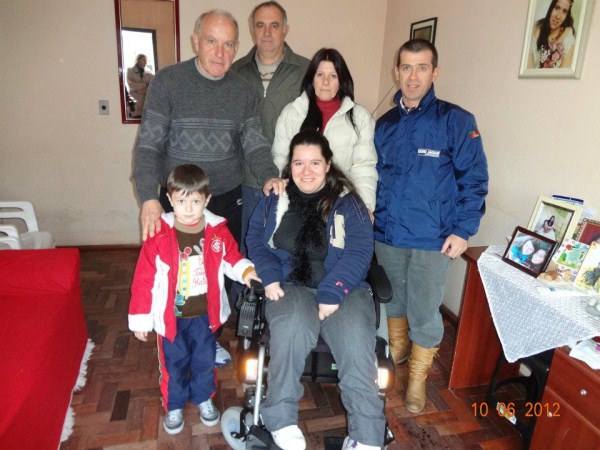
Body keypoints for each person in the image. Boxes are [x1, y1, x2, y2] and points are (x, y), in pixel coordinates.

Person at [132, 10, 284, 366]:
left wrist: (269, 175)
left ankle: (207, 337)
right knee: (175, 277)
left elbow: (254, 141)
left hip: (225, 200)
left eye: (228, 44)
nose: (220, 52)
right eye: (212, 42)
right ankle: (173, 340)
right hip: (177, 203)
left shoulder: (244, 90)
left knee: (216, 274)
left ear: (237, 47)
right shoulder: (168, 82)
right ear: (196, 42)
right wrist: (149, 199)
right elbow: (149, 145)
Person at [246, 130, 385, 450]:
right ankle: (280, 419)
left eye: (314, 162)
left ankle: (366, 436)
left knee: (356, 344)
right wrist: (269, 276)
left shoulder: (349, 203)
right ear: (289, 165)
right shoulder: (275, 198)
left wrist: (333, 292)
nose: (306, 171)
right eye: (298, 163)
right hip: (291, 284)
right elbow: (255, 240)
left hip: (345, 288)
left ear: (328, 164)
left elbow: (360, 251)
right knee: (290, 330)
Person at [374, 39, 488, 414]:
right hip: (387, 234)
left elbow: (474, 180)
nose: (413, 76)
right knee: (392, 300)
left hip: (432, 239)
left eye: (421, 67)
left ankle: (418, 378)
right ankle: (398, 351)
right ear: (396, 72)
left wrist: (463, 230)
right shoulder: (384, 125)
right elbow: (371, 176)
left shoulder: (457, 121)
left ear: (434, 72)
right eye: (406, 67)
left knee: (424, 310)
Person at [128, 164, 260, 435]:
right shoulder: (159, 235)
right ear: (169, 199)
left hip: (204, 316)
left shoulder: (217, 230)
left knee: (204, 360)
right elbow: (144, 280)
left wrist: (246, 271)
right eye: (181, 201)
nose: (188, 208)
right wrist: (141, 318)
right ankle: (174, 404)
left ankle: (203, 397)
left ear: (207, 200)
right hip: (171, 319)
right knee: (173, 364)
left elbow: (231, 257)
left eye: (196, 201)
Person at [231, 1, 310, 252]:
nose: (267, 33)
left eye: (274, 25)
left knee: (286, 253)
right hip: (245, 181)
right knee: (246, 252)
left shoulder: (307, 71)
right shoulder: (235, 71)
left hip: (292, 181)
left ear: (285, 29)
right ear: (252, 30)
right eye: (260, 25)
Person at [272, 48, 378, 214]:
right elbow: (281, 162)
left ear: (341, 80)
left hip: (341, 205)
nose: (326, 82)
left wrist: (364, 208)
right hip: (297, 204)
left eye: (333, 76)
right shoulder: (291, 113)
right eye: (320, 74)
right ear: (312, 79)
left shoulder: (360, 118)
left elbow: (364, 168)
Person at [528, 0, 576, 69]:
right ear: (551, 7)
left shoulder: (568, 38)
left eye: (564, 11)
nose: (558, 16)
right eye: (557, 8)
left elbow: (563, 72)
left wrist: (561, 38)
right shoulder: (537, 27)